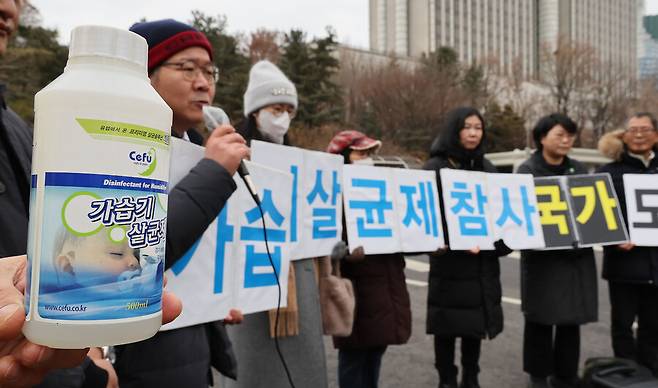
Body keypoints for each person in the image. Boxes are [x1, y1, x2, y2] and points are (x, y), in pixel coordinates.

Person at [0, 1, 180, 386]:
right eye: (118, 252)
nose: (133, 263)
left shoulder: (13, 127)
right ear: (65, 263)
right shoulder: (55, 102)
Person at [111, 19, 250, 388]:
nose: (204, 83)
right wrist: (215, 173)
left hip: (189, 354)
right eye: (187, 68)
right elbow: (128, 255)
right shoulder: (110, 146)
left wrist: (214, 302)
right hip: (133, 358)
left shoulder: (199, 152)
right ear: (146, 74)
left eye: (209, 70)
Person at [224, 59, 328, 388]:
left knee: (301, 369)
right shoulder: (232, 153)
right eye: (274, 108)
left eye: (287, 109)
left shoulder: (302, 160)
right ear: (254, 111)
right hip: (248, 276)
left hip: (297, 277)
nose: (281, 117)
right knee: (253, 369)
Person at [424, 107, 510, 388]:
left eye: (478, 127)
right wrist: (453, 244)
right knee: (447, 328)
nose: (473, 133)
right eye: (467, 127)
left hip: (481, 265)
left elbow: (505, 220)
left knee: (475, 328)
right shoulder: (435, 167)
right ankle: (446, 379)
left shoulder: (488, 168)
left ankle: (471, 378)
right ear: (454, 130)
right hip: (450, 266)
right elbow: (423, 218)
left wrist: (493, 246)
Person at [516, 114, 598, 388]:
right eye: (560, 135)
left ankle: (566, 374)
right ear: (542, 138)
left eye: (570, 136)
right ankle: (538, 375)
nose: (566, 141)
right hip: (543, 259)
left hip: (574, 257)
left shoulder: (579, 168)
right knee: (540, 319)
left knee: (569, 319)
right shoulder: (528, 170)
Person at [326, 130, 412, 388]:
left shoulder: (384, 190)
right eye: (360, 153)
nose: (367, 159)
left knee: (375, 352)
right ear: (342, 156)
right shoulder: (329, 192)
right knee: (354, 356)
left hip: (386, 283)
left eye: (370, 153)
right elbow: (323, 240)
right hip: (358, 289)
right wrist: (343, 252)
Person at [597, 112, 658, 376]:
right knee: (622, 324)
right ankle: (625, 374)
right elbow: (596, 219)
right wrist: (614, 239)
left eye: (645, 129)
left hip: (656, 264)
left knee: (653, 325)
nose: (639, 134)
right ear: (623, 136)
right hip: (624, 263)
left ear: (655, 134)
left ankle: (651, 372)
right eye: (633, 130)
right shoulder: (607, 173)